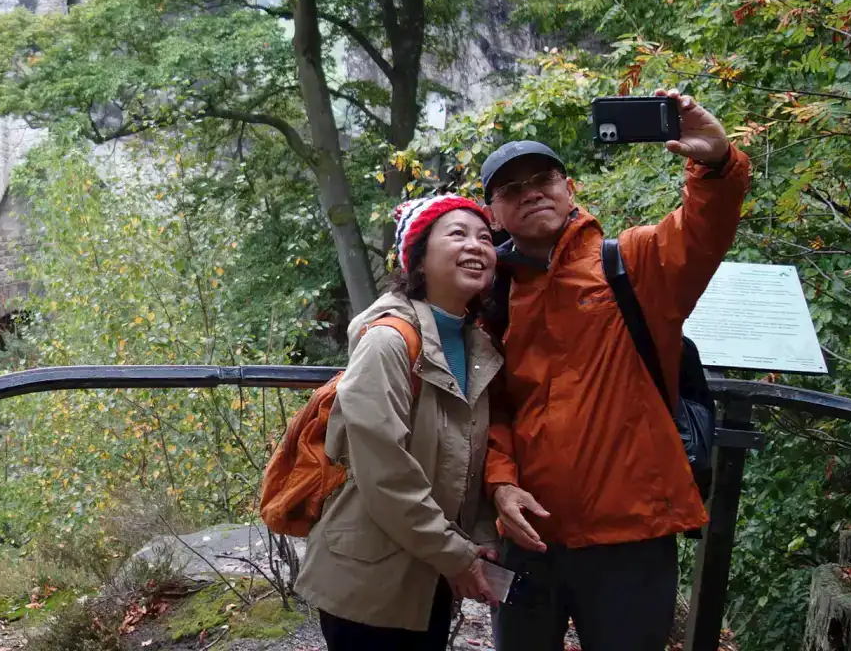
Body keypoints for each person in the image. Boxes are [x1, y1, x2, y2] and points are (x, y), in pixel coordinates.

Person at [479, 90, 751, 651]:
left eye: (543, 179)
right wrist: (500, 484)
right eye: (511, 189)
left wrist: (715, 164)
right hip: (529, 536)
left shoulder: (632, 264)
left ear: (569, 188)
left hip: (632, 535)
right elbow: (489, 407)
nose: (531, 192)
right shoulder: (490, 297)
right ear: (493, 213)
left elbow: (703, 229)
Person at [294, 195, 506, 651]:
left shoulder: (477, 346)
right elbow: (385, 474)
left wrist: (479, 536)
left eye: (485, 238)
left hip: (428, 572)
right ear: (419, 259)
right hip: (368, 580)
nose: (476, 245)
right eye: (457, 234)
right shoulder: (388, 343)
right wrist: (457, 554)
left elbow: (467, 456)